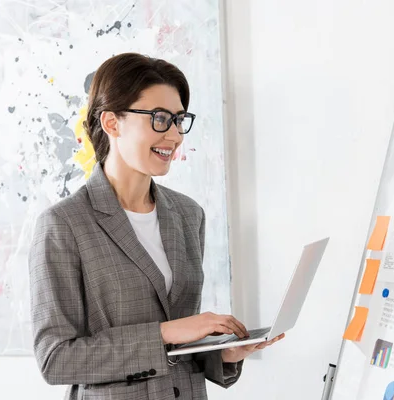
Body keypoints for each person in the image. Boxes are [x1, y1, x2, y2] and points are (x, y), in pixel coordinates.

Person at [28, 52, 284, 400]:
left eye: (179, 120)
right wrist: (166, 332)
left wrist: (221, 354)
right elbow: (56, 358)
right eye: (160, 118)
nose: (176, 135)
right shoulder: (64, 225)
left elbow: (178, 350)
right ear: (111, 123)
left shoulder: (187, 214)